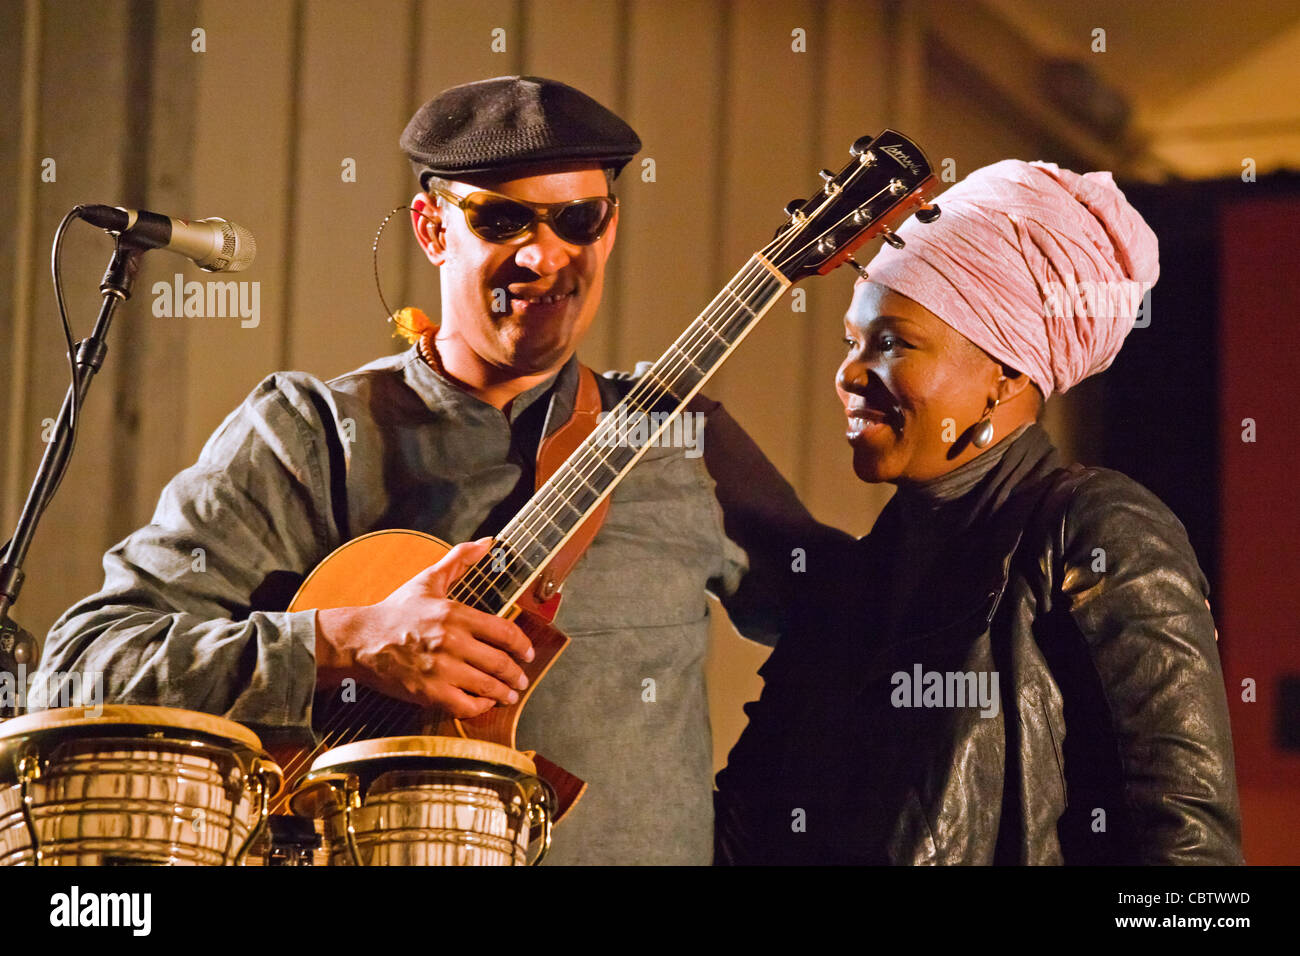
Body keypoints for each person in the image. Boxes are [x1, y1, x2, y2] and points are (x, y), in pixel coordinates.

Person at [34, 75, 845, 865]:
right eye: (501, 221)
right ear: (431, 229)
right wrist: (345, 643)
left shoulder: (679, 436)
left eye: (577, 219)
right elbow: (79, 668)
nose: (544, 255)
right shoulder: (309, 435)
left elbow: (867, 635)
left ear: (611, 224)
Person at [713, 159, 1244, 865]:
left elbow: (1190, 857)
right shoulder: (857, 580)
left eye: (894, 343)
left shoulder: (1097, 530)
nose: (848, 373)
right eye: (852, 341)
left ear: (1009, 372)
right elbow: (742, 829)